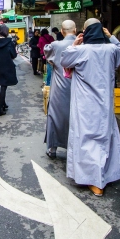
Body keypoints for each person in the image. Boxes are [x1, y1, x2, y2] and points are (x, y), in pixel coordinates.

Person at [59, 19, 120, 196]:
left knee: (86, 141)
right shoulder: (111, 50)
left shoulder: (81, 50)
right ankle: (103, 175)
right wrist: (111, 37)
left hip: (84, 105)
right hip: (104, 104)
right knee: (103, 139)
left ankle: (94, 180)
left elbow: (64, 59)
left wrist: (75, 43)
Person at [44, 20, 77, 159]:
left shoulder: (56, 45)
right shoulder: (84, 45)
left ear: (62, 32)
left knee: (55, 116)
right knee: (78, 119)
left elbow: (48, 55)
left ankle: (52, 149)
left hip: (60, 88)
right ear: (75, 30)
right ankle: (76, 150)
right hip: (79, 88)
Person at [0, 25, 18, 117]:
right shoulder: (10, 42)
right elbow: (14, 55)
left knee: (3, 86)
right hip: (7, 66)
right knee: (4, 86)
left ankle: (4, 104)